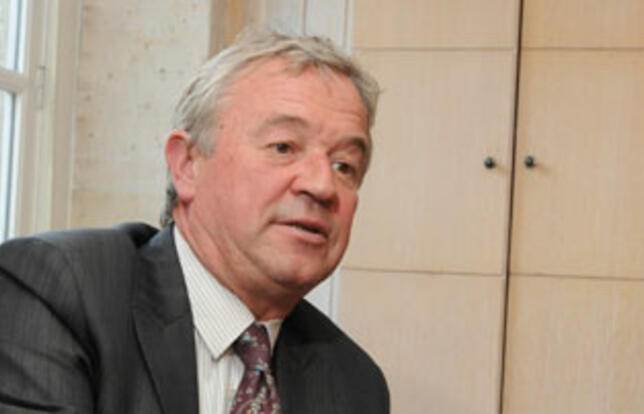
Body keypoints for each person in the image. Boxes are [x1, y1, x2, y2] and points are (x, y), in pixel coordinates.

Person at [0, 29, 389, 414]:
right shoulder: (60, 290)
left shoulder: (353, 385)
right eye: (283, 147)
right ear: (187, 164)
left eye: (344, 166)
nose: (322, 186)